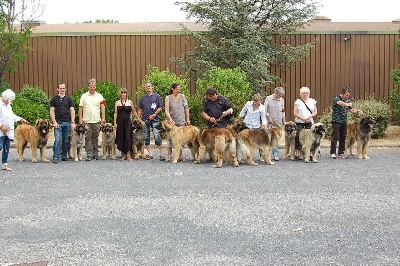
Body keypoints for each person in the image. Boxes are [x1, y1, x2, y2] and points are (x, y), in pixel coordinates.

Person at [330, 86, 363, 159]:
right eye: (347, 95)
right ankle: (333, 153)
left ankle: (341, 152)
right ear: (342, 93)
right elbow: (340, 103)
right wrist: (347, 104)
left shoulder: (347, 100)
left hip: (344, 121)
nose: (348, 96)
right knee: (335, 137)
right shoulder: (336, 98)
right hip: (336, 121)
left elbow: (350, 110)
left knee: (343, 137)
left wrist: (357, 111)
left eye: (348, 95)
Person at [0, 89, 28, 171]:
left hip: (8, 131)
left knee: (6, 148)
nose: (10, 102)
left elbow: (12, 116)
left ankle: (4, 164)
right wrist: (1, 127)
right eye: (9, 100)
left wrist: (20, 119)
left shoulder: (8, 106)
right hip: (1, 130)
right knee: (0, 146)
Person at [78, 79, 106, 161]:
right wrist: (80, 118)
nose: (92, 88)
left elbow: (103, 107)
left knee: (95, 138)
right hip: (87, 120)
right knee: (88, 138)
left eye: (94, 87)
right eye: (91, 87)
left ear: (95, 87)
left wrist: (103, 117)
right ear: (88, 87)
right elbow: (80, 108)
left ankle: (95, 154)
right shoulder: (84, 96)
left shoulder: (99, 96)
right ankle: (89, 155)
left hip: (97, 120)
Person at [137, 81, 164, 161]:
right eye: (146, 86)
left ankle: (161, 154)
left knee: (157, 136)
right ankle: (150, 154)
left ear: (152, 87)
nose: (148, 88)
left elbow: (160, 107)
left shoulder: (157, 97)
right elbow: (140, 109)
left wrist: (154, 114)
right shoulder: (142, 98)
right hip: (145, 120)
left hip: (155, 119)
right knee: (146, 137)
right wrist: (138, 119)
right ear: (145, 88)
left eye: (149, 86)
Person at [50, 83, 76, 164]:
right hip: (58, 123)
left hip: (67, 123)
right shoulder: (54, 99)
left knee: (65, 140)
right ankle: (56, 156)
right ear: (58, 89)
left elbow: (72, 110)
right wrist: (54, 122)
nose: (62, 89)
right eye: (60, 88)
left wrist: (72, 121)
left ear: (65, 89)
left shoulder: (69, 99)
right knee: (57, 140)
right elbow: (51, 111)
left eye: (63, 88)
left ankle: (64, 156)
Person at [164, 83, 190, 162]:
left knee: (180, 139)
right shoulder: (168, 98)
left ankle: (180, 156)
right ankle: (169, 156)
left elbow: (186, 108)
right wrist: (169, 118)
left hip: (181, 120)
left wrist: (187, 118)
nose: (179, 91)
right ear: (173, 89)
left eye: (179, 89)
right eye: (177, 89)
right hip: (171, 122)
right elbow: (166, 110)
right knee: (169, 139)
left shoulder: (183, 96)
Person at [113, 87, 138, 161]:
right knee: (121, 137)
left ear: (126, 94)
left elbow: (134, 111)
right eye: (122, 93)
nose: (123, 94)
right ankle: (123, 155)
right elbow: (115, 113)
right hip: (120, 122)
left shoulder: (130, 102)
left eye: (125, 93)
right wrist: (115, 123)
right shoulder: (117, 102)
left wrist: (138, 119)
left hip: (127, 122)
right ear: (120, 94)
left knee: (128, 137)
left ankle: (128, 154)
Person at [293, 86, 318, 159]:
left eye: (307, 93)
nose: (305, 94)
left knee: (311, 137)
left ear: (309, 94)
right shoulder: (297, 102)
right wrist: (303, 119)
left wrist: (311, 116)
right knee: (298, 137)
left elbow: (315, 111)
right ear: (300, 94)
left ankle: (310, 153)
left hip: (310, 122)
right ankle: (298, 153)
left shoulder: (312, 101)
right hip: (300, 122)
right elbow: (295, 113)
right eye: (303, 93)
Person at [264, 87, 286, 161]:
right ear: (275, 93)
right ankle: (265, 155)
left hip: (278, 122)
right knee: (268, 138)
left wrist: (284, 120)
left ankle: (275, 154)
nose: (280, 97)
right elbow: (264, 110)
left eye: (281, 96)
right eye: (279, 95)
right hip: (270, 121)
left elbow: (283, 111)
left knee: (276, 138)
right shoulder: (268, 98)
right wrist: (269, 117)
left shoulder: (282, 100)